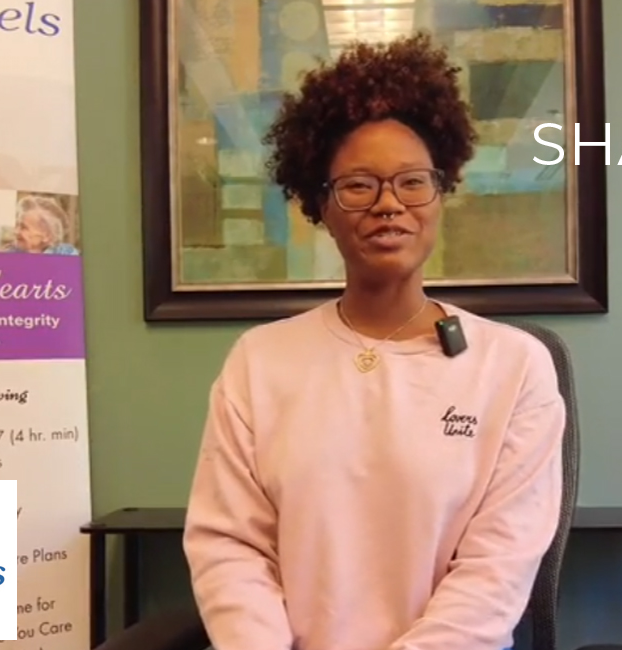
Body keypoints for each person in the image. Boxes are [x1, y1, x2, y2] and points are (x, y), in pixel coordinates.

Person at [181, 32, 566, 650]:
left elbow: (497, 568)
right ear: (321, 205)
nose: (389, 205)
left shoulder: (515, 367)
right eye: (358, 186)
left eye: (412, 182)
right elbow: (231, 546)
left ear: (441, 193)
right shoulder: (260, 361)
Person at [10, 196, 79, 255]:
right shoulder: (11, 253)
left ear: (47, 236)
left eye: (24, 227)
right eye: (17, 225)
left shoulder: (66, 254)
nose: (16, 231)